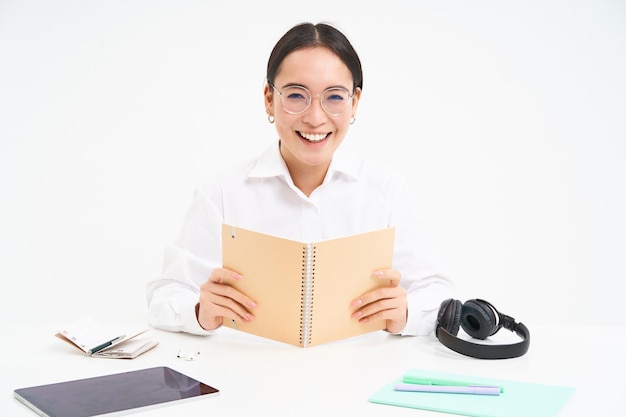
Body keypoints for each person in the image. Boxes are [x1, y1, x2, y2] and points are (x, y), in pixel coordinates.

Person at [146, 22, 454, 338]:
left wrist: (406, 312)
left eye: (334, 97)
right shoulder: (221, 193)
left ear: (354, 103)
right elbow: (165, 297)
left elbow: (438, 293)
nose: (315, 117)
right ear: (269, 99)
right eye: (296, 95)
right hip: (247, 374)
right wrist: (199, 311)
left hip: (360, 376)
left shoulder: (386, 191)